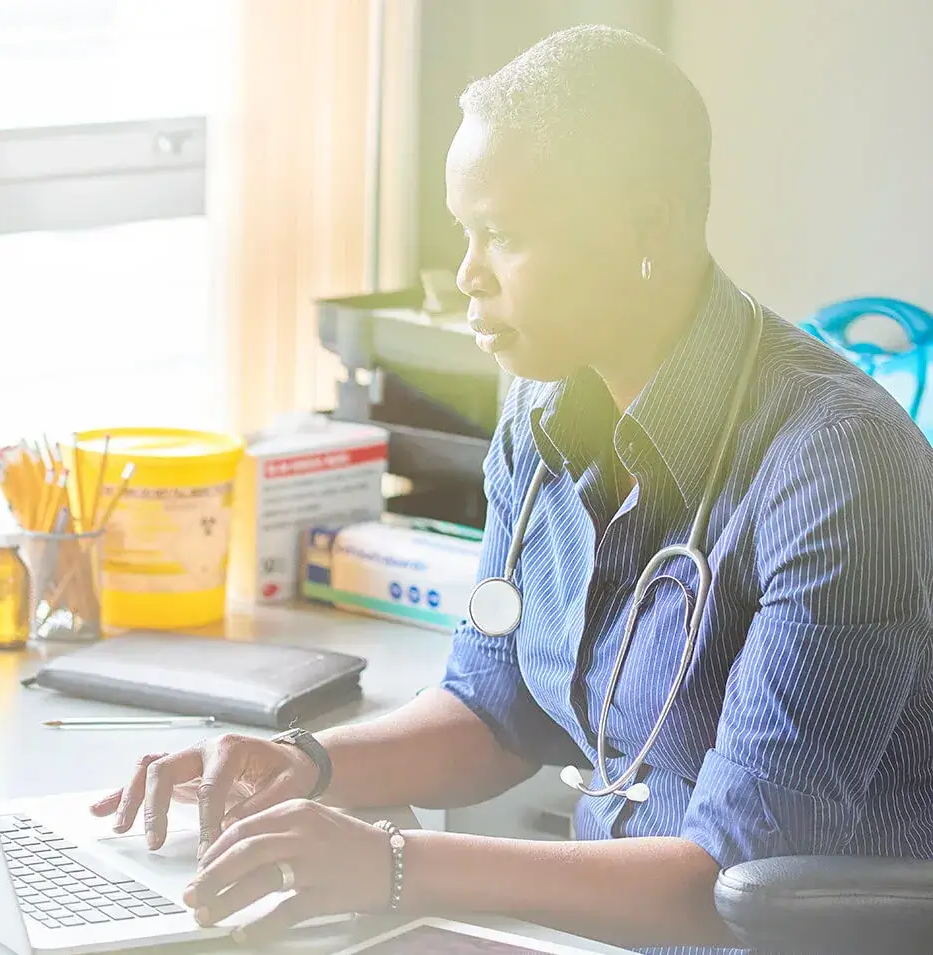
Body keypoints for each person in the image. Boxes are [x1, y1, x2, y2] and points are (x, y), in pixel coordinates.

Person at [91, 25, 933, 955]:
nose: (467, 277)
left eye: (505, 235)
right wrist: (304, 766)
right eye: (465, 231)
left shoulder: (845, 468)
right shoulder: (539, 406)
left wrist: (391, 863)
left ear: (648, 228)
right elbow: (493, 713)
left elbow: (727, 887)